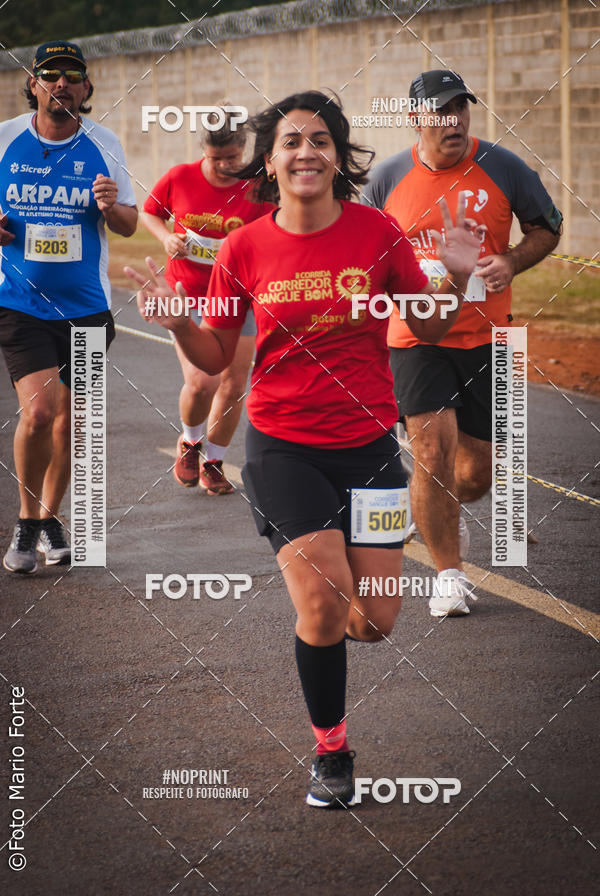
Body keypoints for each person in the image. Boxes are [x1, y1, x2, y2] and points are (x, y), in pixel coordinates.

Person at [127, 91, 483, 808]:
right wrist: (174, 322)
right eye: (291, 141)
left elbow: (433, 327)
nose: (306, 152)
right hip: (283, 448)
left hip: (370, 449)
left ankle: (336, 642)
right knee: (322, 607)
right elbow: (219, 347)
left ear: (337, 155)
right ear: (271, 159)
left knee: (375, 620)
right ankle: (330, 752)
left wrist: (458, 272)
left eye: (320, 140)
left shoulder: (377, 233)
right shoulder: (243, 246)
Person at [363, 69, 562, 617]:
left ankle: (424, 508)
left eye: (461, 110)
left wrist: (512, 260)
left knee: (472, 476)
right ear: (416, 118)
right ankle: (449, 576)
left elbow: (547, 227)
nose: (453, 122)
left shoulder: (504, 166)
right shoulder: (387, 179)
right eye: (440, 112)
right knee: (430, 452)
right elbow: (365, 251)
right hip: (415, 336)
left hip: (487, 337)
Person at [0, 40, 137, 574]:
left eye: (72, 74)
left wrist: (110, 205)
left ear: (85, 87)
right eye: (50, 74)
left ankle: (48, 519)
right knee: (39, 412)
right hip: (21, 303)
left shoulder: (104, 144)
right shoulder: (6, 138)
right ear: (33, 84)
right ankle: (24, 521)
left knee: (70, 424)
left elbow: (126, 223)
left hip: (86, 309)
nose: (62, 83)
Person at [141, 108, 272, 494]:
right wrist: (166, 238)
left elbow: (272, 232)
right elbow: (150, 213)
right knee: (203, 382)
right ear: (204, 150)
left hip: (236, 297)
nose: (225, 166)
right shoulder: (180, 177)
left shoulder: (258, 186)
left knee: (233, 385)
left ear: (245, 149)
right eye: (216, 159)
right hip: (187, 294)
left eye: (233, 158)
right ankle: (191, 442)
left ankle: (213, 461)